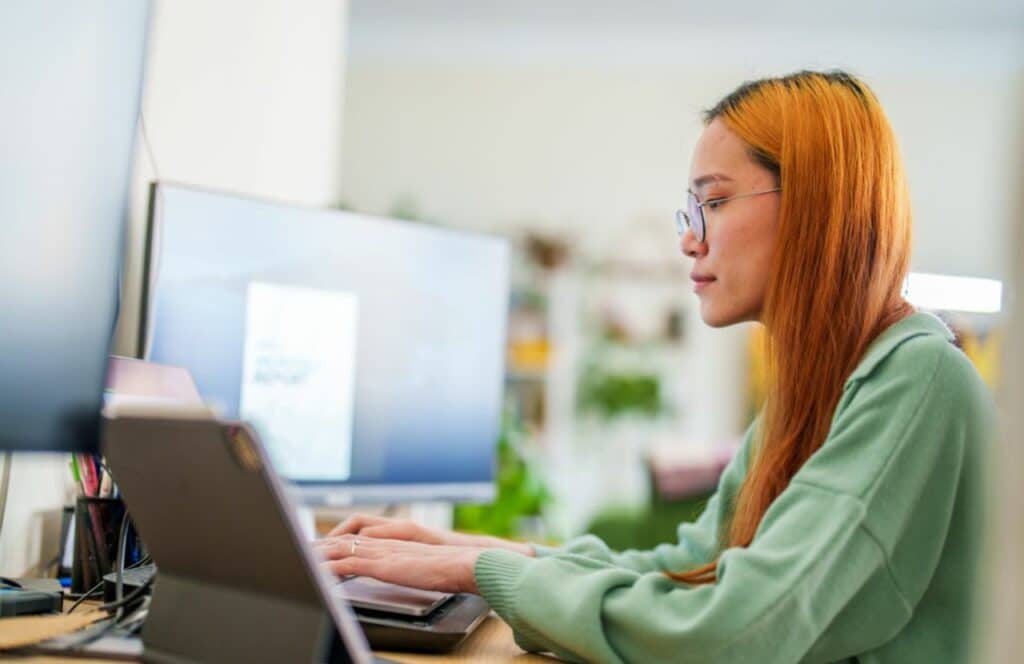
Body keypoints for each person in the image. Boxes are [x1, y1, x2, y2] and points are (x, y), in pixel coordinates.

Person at [313, 70, 994, 663]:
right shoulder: (820, 390)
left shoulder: (918, 380)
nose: (688, 237)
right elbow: (689, 571)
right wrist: (466, 554)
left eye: (716, 201)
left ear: (817, 204)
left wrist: (476, 569)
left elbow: (732, 633)